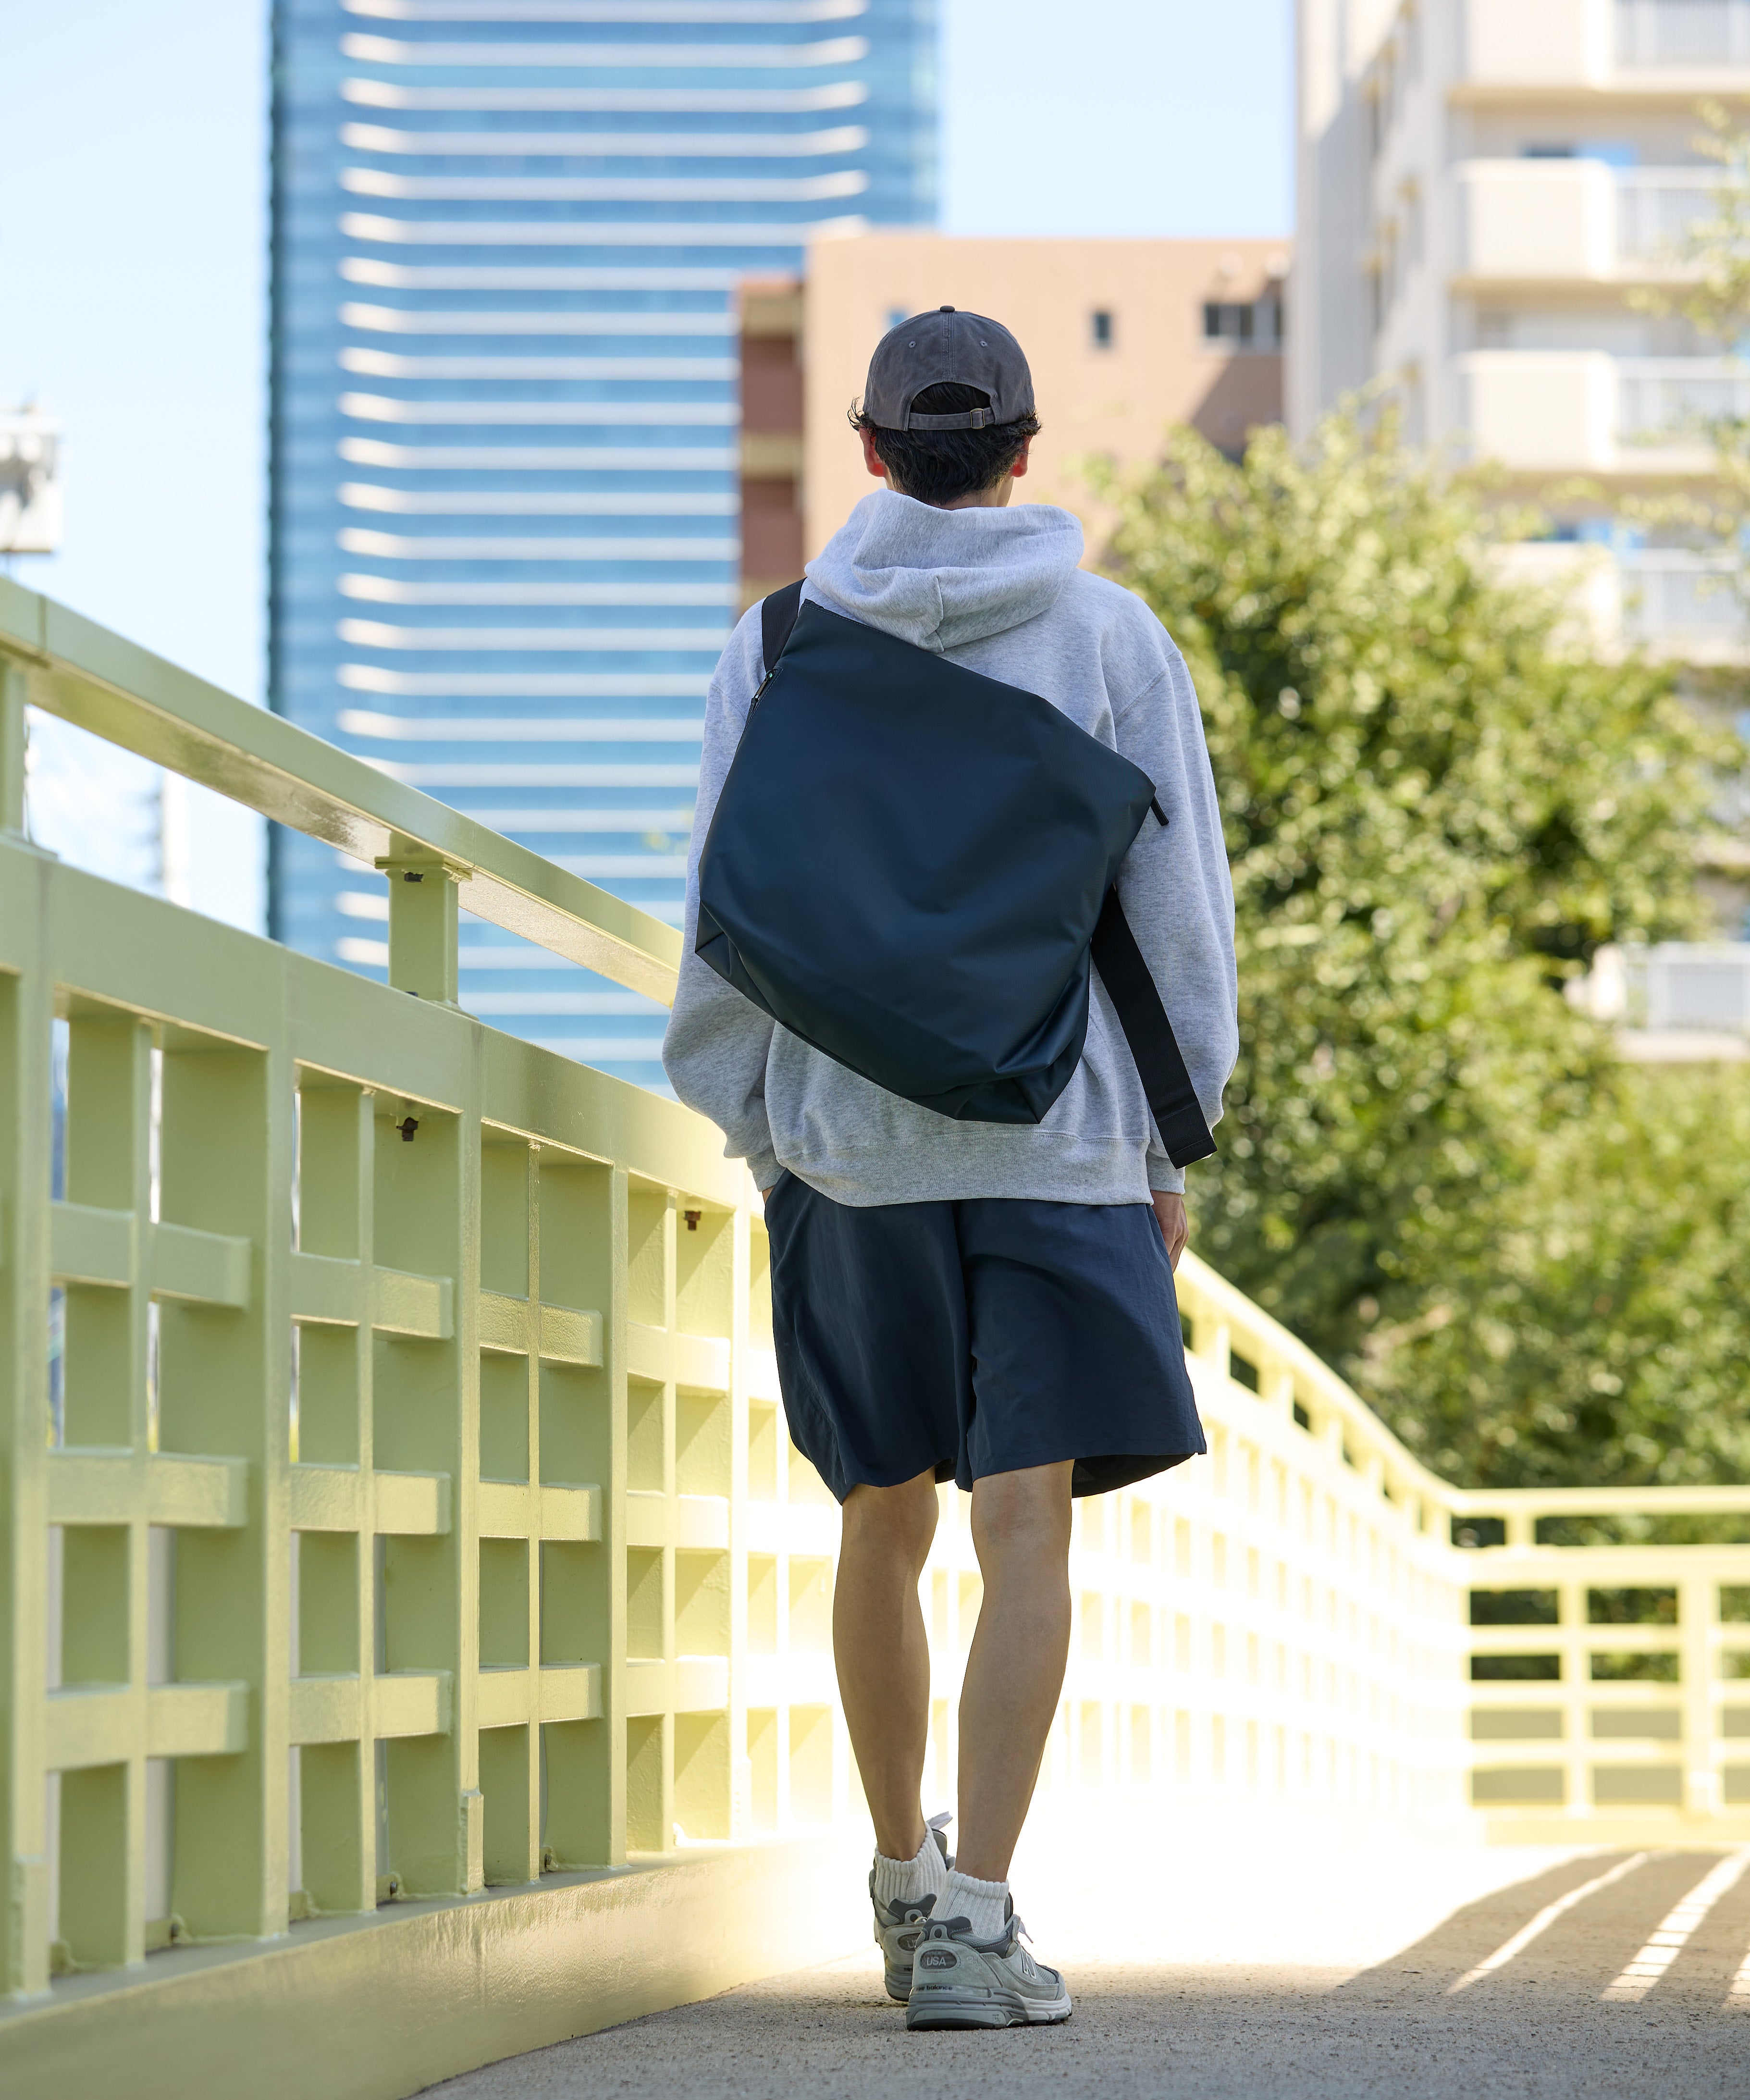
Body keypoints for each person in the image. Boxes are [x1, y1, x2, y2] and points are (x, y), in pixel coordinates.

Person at [664, 308, 1237, 2030]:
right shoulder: (1108, 636)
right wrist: (1169, 1133)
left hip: (848, 1149)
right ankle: (983, 1921)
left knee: (879, 1519)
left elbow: (725, 915)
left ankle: (900, 1895)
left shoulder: (776, 641)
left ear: (866, 451)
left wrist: (762, 1125)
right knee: (1024, 1525)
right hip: (1055, 1141)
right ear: (1021, 448)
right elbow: (1174, 920)